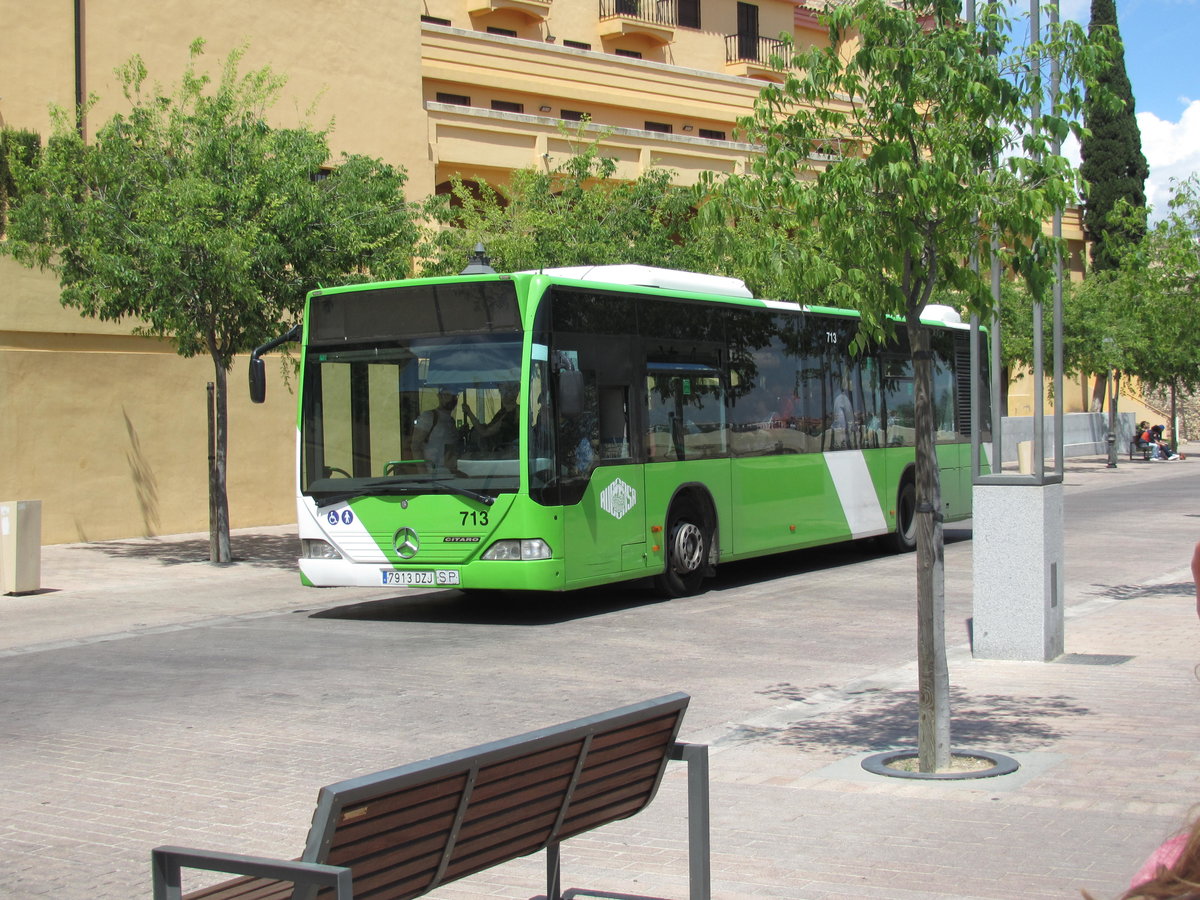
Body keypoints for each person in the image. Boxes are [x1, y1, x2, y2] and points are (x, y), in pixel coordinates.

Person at [411, 387, 463, 474]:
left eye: (454, 396)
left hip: (451, 473)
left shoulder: (451, 421)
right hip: (433, 473)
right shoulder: (428, 417)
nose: (451, 399)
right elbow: (415, 446)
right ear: (439, 396)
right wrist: (423, 474)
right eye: (447, 395)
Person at [463, 383, 520, 453]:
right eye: (501, 390)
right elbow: (489, 427)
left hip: (508, 454)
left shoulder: (514, 413)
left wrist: (469, 412)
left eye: (507, 391)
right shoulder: (502, 412)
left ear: (516, 393)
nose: (503, 394)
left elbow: (484, 432)